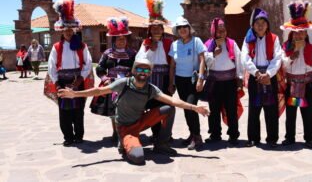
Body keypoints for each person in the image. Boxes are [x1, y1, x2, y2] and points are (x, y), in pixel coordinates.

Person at [58, 58, 210, 165]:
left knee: (169, 109)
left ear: (150, 73)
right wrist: (75, 94)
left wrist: (194, 107)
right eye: (139, 69)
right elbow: (99, 91)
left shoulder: (150, 88)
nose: (143, 72)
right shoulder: (124, 83)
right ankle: (124, 142)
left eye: (146, 70)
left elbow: (171, 100)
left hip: (140, 122)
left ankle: (161, 143)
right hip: (125, 128)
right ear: (133, 70)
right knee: (138, 157)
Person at [44, 0, 94, 146]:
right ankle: (68, 137)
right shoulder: (56, 47)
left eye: (70, 30)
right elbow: (51, 66)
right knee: (64, 112)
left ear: (74, 30)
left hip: (77, 81)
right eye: (65, 30)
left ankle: (79, 135)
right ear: (62, 30)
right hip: (62, 82)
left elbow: (88, 63)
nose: (68, 32)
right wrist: (57, 83)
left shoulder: (82, 46)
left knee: (78, 110)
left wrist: (80, 79)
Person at [280, 0, 312, 149]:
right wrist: (292, 56)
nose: (299, 36)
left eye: (302, 32)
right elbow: (282, 66)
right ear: (292, 34)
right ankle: (290, 137)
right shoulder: (286, 48)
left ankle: (309, 138)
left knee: (307, 113)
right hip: (292, 86)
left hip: (306, 86)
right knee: (291, 114)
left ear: (306, 34)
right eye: (296, 33)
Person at [90, 17, 136, 142]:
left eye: (123, 39)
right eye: (118, 39)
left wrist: (130, 77)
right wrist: (105, 79)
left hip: (127, 84)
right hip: (111, 85)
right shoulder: (107, 53)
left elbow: (136, 69)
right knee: (113, 111)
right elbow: (100, 68)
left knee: (126, 110)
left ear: (126, 40)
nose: (121, 41)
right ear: (114, 40)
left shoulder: (132, 54)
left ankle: (126, 131)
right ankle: (116, 132)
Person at [241, 8, 282, 148]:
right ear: (252, 25)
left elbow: (277, 58)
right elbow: (245, 58)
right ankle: (253, 138)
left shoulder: (274, 39)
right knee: (254, 108)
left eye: (263, 22)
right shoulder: (248, 40)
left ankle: (272, 138)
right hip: (255, 77)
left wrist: (269, 74)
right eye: (257, 22)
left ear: (267, 25)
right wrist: (257, 73)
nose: (260, 25)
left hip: (270, 77)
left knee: (271, 109)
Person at [136, 0, 174, 143]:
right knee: (151, 107)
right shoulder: (145, 44)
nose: (156, 30)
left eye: (159, 28)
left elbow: (172, 64)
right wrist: (150, 50)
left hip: (164, 80)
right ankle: (156, 133)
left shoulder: (169, 42)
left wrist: (172, 83)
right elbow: (140, 61)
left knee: (166, 106)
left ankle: (166, 134)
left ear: (163, 29)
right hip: (149, 80)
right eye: (154, 28)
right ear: (150, 30)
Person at [168, 16, 206, 150]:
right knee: (186, 108)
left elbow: (202, 60)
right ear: (177, 31)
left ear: (189, 29)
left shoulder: (196, 41)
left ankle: (197, 137)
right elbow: (172, 65)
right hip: (180, 81)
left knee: (191, 108)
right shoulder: (175, 45)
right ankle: (192, 135)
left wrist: (201, 79)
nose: (183, 30)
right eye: (180, 28)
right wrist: (171, 83)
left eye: (185, 27)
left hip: (193, 80)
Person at [204, 17, 243, 145]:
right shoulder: (208, 45)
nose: (221, 34)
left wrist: (240, 79)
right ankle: (215, 134)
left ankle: (233, 135)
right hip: (214, 82)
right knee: (214, 110)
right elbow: (205, 64)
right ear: (213, 32)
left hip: (230, 82)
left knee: (231, 109)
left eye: (223, 31)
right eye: (218, 31)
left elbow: (239, 60)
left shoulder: (232, 43)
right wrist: (213, 54)